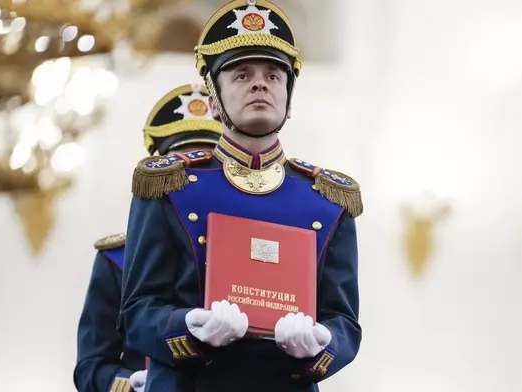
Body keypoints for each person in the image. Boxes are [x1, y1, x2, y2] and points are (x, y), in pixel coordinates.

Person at [119, 0, 364, 391]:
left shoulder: (327, 201)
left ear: (289, 97)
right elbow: (136, 313)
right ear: (214, 102)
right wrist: (188, 326)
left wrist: (320, 342)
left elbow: (344, 321)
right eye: (241, 74)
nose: (260, 83)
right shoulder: (170, 186)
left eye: (273, 74)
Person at [74, 84, 224, 392]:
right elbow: (91, 366)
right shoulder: (117, 260)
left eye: (207, 165)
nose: (195, 177)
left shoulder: (247, 250)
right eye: (183, 166)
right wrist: (129, 385)